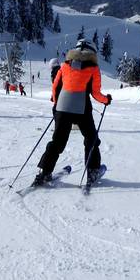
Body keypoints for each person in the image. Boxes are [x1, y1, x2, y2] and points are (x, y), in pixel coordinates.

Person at [33, 40, 111, 186]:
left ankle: (44, 172)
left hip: (62, 107)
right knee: (91, 139)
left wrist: (57, 104)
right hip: (82, 109)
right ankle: (93, 171)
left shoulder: (65, 65)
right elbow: (95, 93)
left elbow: (56, 87)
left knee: (57, 141)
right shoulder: (93, 68)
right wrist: (106, 100)